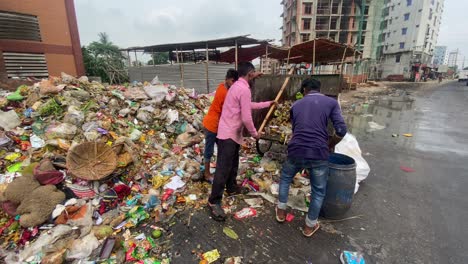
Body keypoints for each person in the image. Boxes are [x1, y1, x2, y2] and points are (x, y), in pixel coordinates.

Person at [275, 78, 347, 237]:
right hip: (318, 153)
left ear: (304, 90)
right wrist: (329, 144)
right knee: (318, 191)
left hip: (296, 150)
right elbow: (341, 130)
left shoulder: (295, 105)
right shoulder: (331, 103)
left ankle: (280, 212)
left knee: (286, 178)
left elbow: (296, 129)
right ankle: (309, 226)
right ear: (319, 89)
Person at [208, 62, 274, 221]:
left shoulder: (237, 86)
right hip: (228, 134)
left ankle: (231, 188)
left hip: (232, 133)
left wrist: (268, 103)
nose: (255, 78)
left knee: (233, 164)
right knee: (223, 168)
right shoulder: (243, 89)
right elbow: (246, 117)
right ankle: (213, 201)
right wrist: (254, 134)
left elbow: (247, 105)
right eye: (254, 75)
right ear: (249, 74)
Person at [201, 69, 239, 183]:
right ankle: (207, 174)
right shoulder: (224, 93)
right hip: (212, 125)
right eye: (233, 82)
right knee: (209, 150)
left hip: (217, 125)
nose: (233, 85)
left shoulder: (221, 86)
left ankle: (220, 171)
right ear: (229, 80)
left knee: (222, 149)